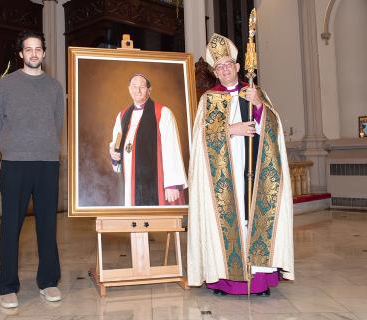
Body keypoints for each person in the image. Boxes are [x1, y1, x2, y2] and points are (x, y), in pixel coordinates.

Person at [187, 33, 294, 296]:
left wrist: (258, 105)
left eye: (228, 65)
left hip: (254, 172)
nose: (224, 70)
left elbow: (274, 129)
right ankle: (225, 280)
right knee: (227, 225)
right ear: (215, 72)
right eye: (219, 67)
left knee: (253, 220)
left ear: (237, 67)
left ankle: (258, 280)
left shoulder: (254, 92)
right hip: (223, 178)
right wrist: (229, 129)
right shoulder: (209, 99)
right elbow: (199, 140)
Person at [0, 30, 65, 308]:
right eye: (28, 49)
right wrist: (12, 143)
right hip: (15, 163)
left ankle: (48, 281)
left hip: (47, 162)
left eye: (38, 49)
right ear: (21, 54)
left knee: (48, 225)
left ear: (44, 53)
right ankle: (7, 286)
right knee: (11, 225)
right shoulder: (7, 85)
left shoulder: (55, 87)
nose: (34, 54)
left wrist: (43, 143)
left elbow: (58, 123)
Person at [109, 74, 187, 206]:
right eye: (134, 86)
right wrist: (114, 154)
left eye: (141, 87)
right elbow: (117, 140)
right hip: (129, 180)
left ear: (149, 90)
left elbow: (171, 148)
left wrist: (172, 184)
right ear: (129, 89)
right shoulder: (122, 115)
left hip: (155, 181)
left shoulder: (163, 113)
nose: (137, 91)